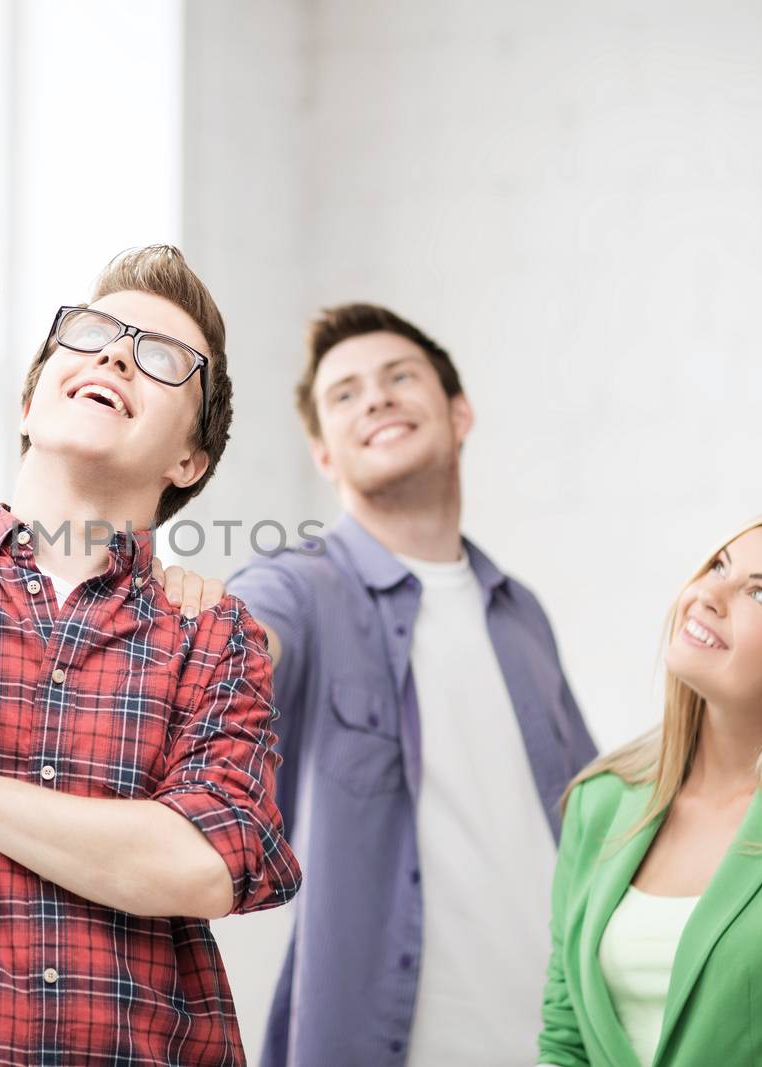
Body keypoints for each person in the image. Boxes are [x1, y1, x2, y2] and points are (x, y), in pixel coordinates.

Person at [0, 185, 301, 1065]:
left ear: (192, 457)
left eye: (159, 358)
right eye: (93, 335)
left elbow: (194, 865)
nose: (115, 356)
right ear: (32, 402)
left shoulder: (214, 634)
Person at [224, 304, 597, 1065]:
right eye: (346, 394)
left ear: (459, 413)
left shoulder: (519, 610)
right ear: (324, 455)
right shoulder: (297, 586)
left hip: (565, 1039)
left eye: (400, 378)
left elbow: (596, 815)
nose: (377, 399)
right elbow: (236, 648)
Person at [539, 509, 762, 1067]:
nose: (709, 595)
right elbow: (564, 1039)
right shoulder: (599, 801)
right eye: (719, 567)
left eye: (758, 595)